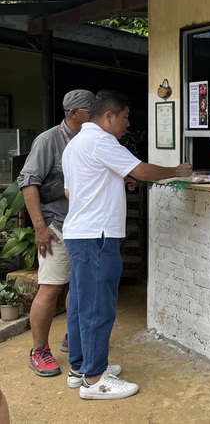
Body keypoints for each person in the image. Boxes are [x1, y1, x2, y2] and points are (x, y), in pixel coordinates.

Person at [62, 89, 191, 400]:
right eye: (125, 117)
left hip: (80, 233)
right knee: (98, 307)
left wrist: (115, 180)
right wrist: (177, 171)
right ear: (108, 116)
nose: (127, 124)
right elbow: (142, 170)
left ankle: (80, 368)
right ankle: (95, 380)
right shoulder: (102, 141)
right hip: (98, 236)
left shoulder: (76, 144)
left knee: (81, 304)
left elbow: (72, 191)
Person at [17, 89, 95, 377]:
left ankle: (72, 337)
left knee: (78, 286)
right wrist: (40, 228)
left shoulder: (90, 139)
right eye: (90, 110)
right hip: (56, 226)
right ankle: (38, 350)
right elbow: (29, 184)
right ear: (73, 113)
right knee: (50, 287)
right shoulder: (48, 141)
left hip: (84, 226)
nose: (96, 114)